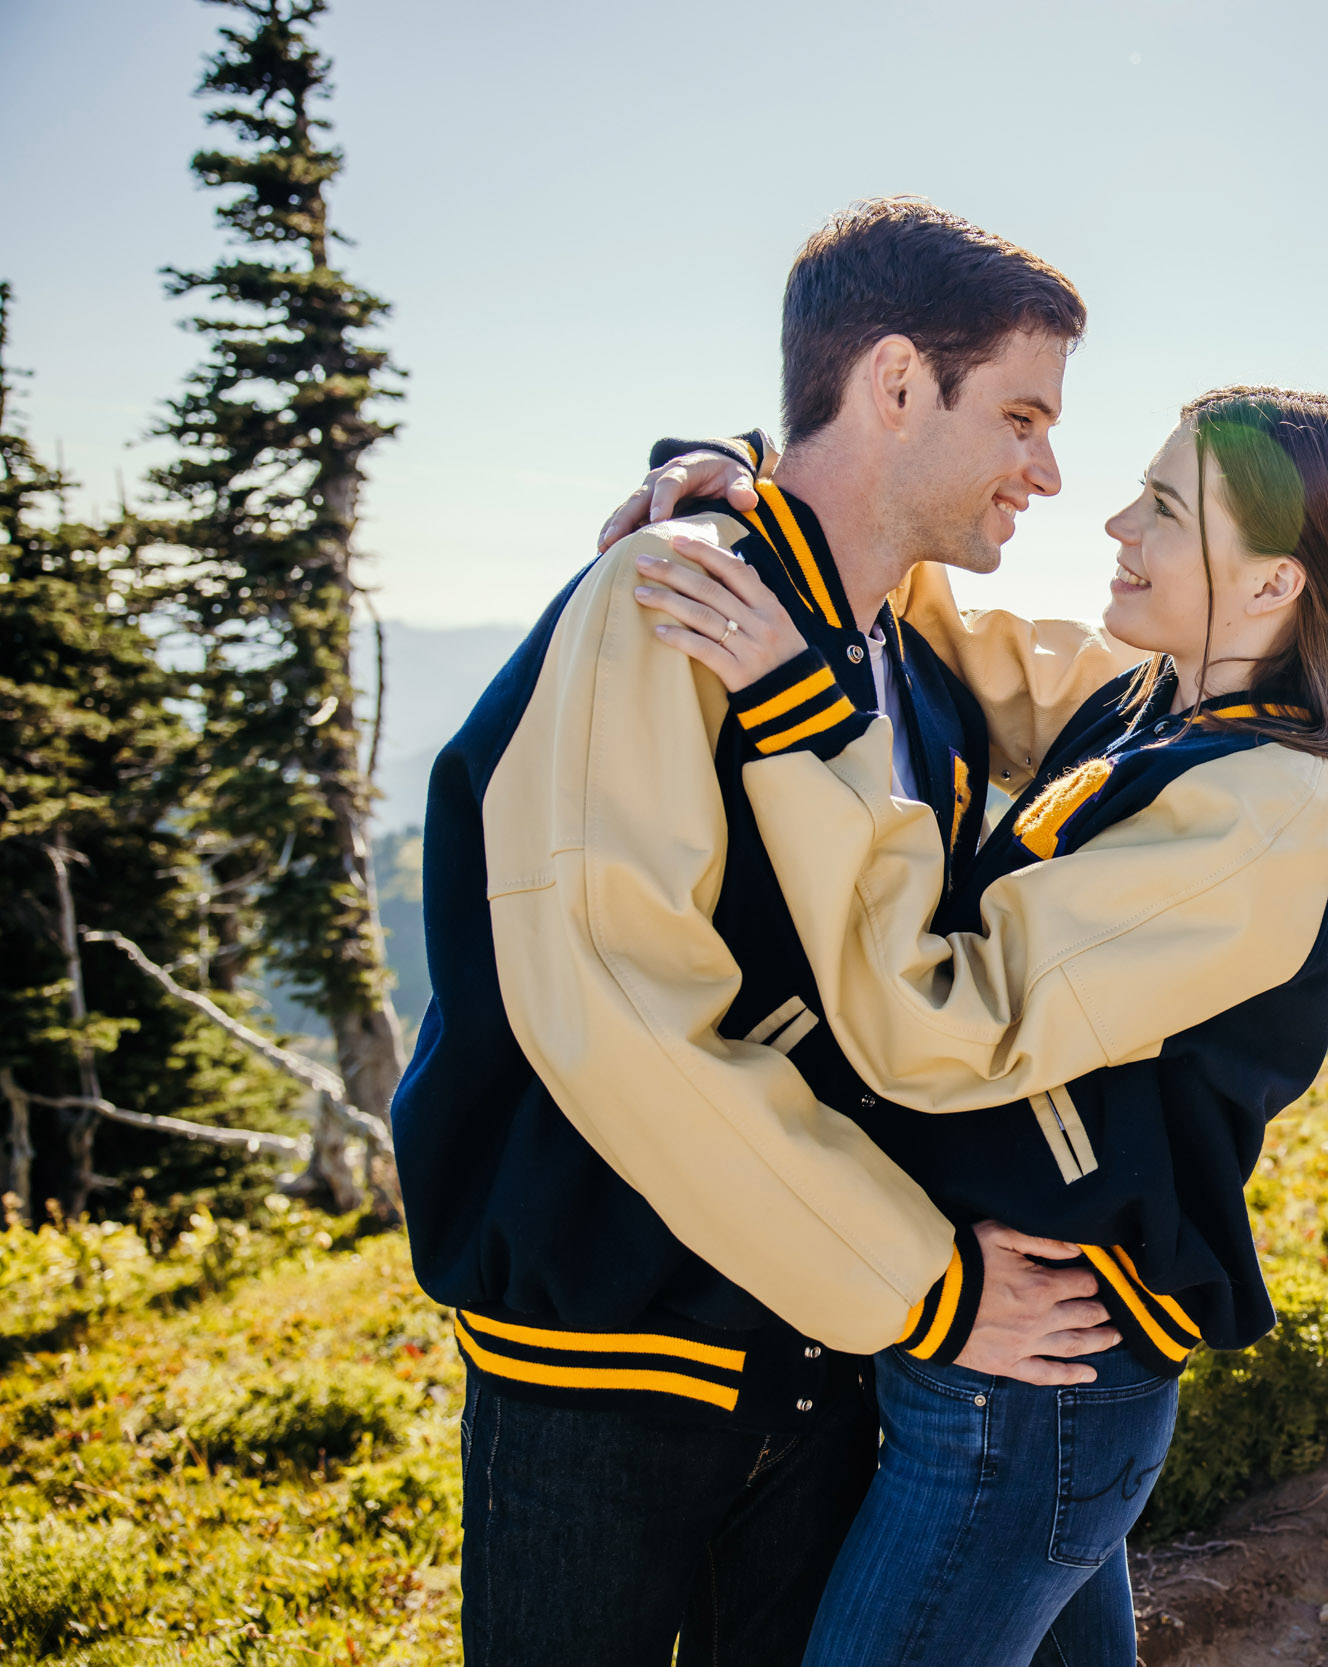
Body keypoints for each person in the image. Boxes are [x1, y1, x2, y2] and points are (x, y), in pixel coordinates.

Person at [388, 199, 1124, 1667]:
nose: (1049, 469)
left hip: (823, 1350)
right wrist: (936, 1283)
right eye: (1025, 416)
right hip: (614, 1367)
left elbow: (1155, 697)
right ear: (899, 382)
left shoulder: (896, 635)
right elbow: (616, 995)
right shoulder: (666, 596)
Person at [613, 386, 1328, 1665]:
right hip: (1017, 1368)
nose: (1114, 521)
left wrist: (790, 720)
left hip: (1035, 1386)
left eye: (1162, 509)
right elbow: (946, 630)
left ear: (1270, 586)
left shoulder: (1259, 807)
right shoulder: (1156, 700)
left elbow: (939, 1022)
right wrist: (768, 482)